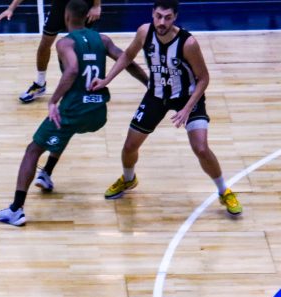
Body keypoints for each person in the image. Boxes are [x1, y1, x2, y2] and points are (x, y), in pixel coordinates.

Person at [0, 0, 148, 226]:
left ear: (66, 18)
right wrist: (149, 84)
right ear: (87, 17)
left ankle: (16, 210)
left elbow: (73, 69)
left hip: (74, 109)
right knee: (63, 130)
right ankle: (46, 173)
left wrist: (53, 100)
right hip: (98, 112)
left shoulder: (65, 43)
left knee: (33, 150)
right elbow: (127, 60)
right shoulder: (103, 39)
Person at [90, 0, 242, 215]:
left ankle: (224, 190)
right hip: (157, 95)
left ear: (175, 17)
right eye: (159, 16)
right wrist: (106, 80)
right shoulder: (144, 32)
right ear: (152, 13)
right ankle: (128, 179)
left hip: (187, 97)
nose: (162, 22)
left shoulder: (188, 43)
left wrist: (187, 109)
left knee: (201, 148)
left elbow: (204, 78)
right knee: (129, 147)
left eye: (168, 18)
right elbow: (127, 56)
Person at [0, 0, 101, 103]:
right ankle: (40, 84)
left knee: (83, 45)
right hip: (60, 6)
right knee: (44, 44)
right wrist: (11, 8)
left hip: (83, 5)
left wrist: (96, 6)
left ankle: (86, 84)